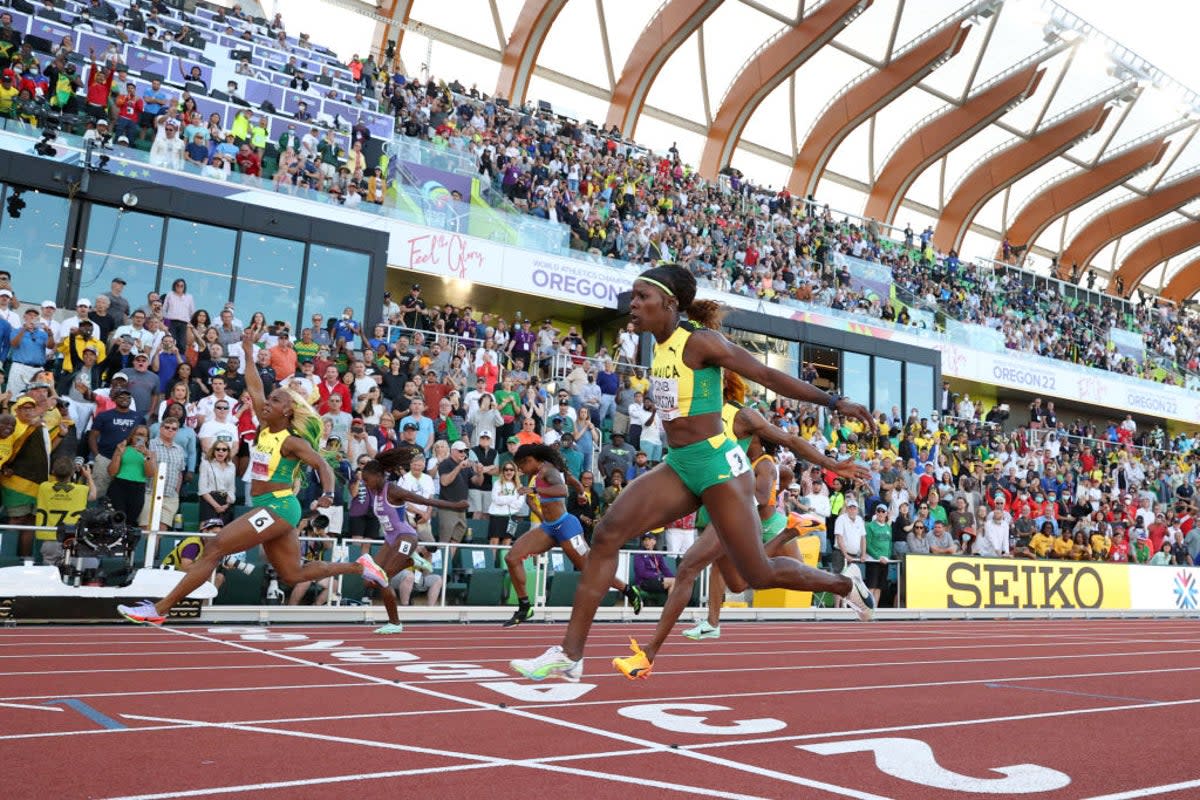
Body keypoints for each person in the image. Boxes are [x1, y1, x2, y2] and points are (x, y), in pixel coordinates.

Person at [511, 265, 875, 682]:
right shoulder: (657, 346)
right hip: (681, 464)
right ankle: (571, 654)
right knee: (608, 532)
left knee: (755, 574)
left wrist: (833, 402)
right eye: (632, 295)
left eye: (641, 296)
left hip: (720, 469)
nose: (633, 303)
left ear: (669, 303)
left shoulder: (701, 342)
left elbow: (768, 375)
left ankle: (845, 585)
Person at [117, 327, 389, 625]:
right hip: (269, 505)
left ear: (286, 411)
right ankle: (359, 565)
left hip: (279, 506)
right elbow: (255, 385)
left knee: (216, 546)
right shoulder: (265, 423)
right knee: (292, 574)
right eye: (268, 401)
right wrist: (247, 352)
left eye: (274, 401)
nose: (266, 403)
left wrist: (327, 494)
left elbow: (322, 465)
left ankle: (159, 609)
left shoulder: (291, 440)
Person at [502, 444, 643, 628]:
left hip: (567, 527)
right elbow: (572, 482)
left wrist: (535, 491)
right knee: (512, 558)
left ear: (530, 460)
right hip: (549, 528)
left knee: (590, 570)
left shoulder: (549, 471)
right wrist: (581, 493)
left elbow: (562, 490)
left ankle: (628, 590)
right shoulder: (541, 471)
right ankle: (525, 607)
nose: (521, 471)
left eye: (522, 466)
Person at [358, 446, 468, 633]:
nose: (366, 484)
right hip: (391, 539)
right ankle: (411, 560)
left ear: (377, 476)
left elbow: (426, 501)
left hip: (406, 537)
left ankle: (395, 623)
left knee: (383, 578)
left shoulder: (393, 490)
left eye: (367, 480)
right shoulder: (374, 491)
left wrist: (455, 505)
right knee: (369, 580)